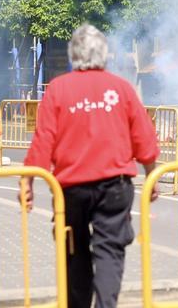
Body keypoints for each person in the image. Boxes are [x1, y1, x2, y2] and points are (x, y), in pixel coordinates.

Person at [22, 24, 160, 308]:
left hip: (71, 189)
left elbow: (43, 140)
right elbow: (143, 137)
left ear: (74, 56)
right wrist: (152, 174)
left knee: (74, 250)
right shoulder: (121, 88)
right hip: (115, 186)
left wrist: (28, 183)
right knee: (110, 251)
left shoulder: (59, 89)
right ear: (105, 56)